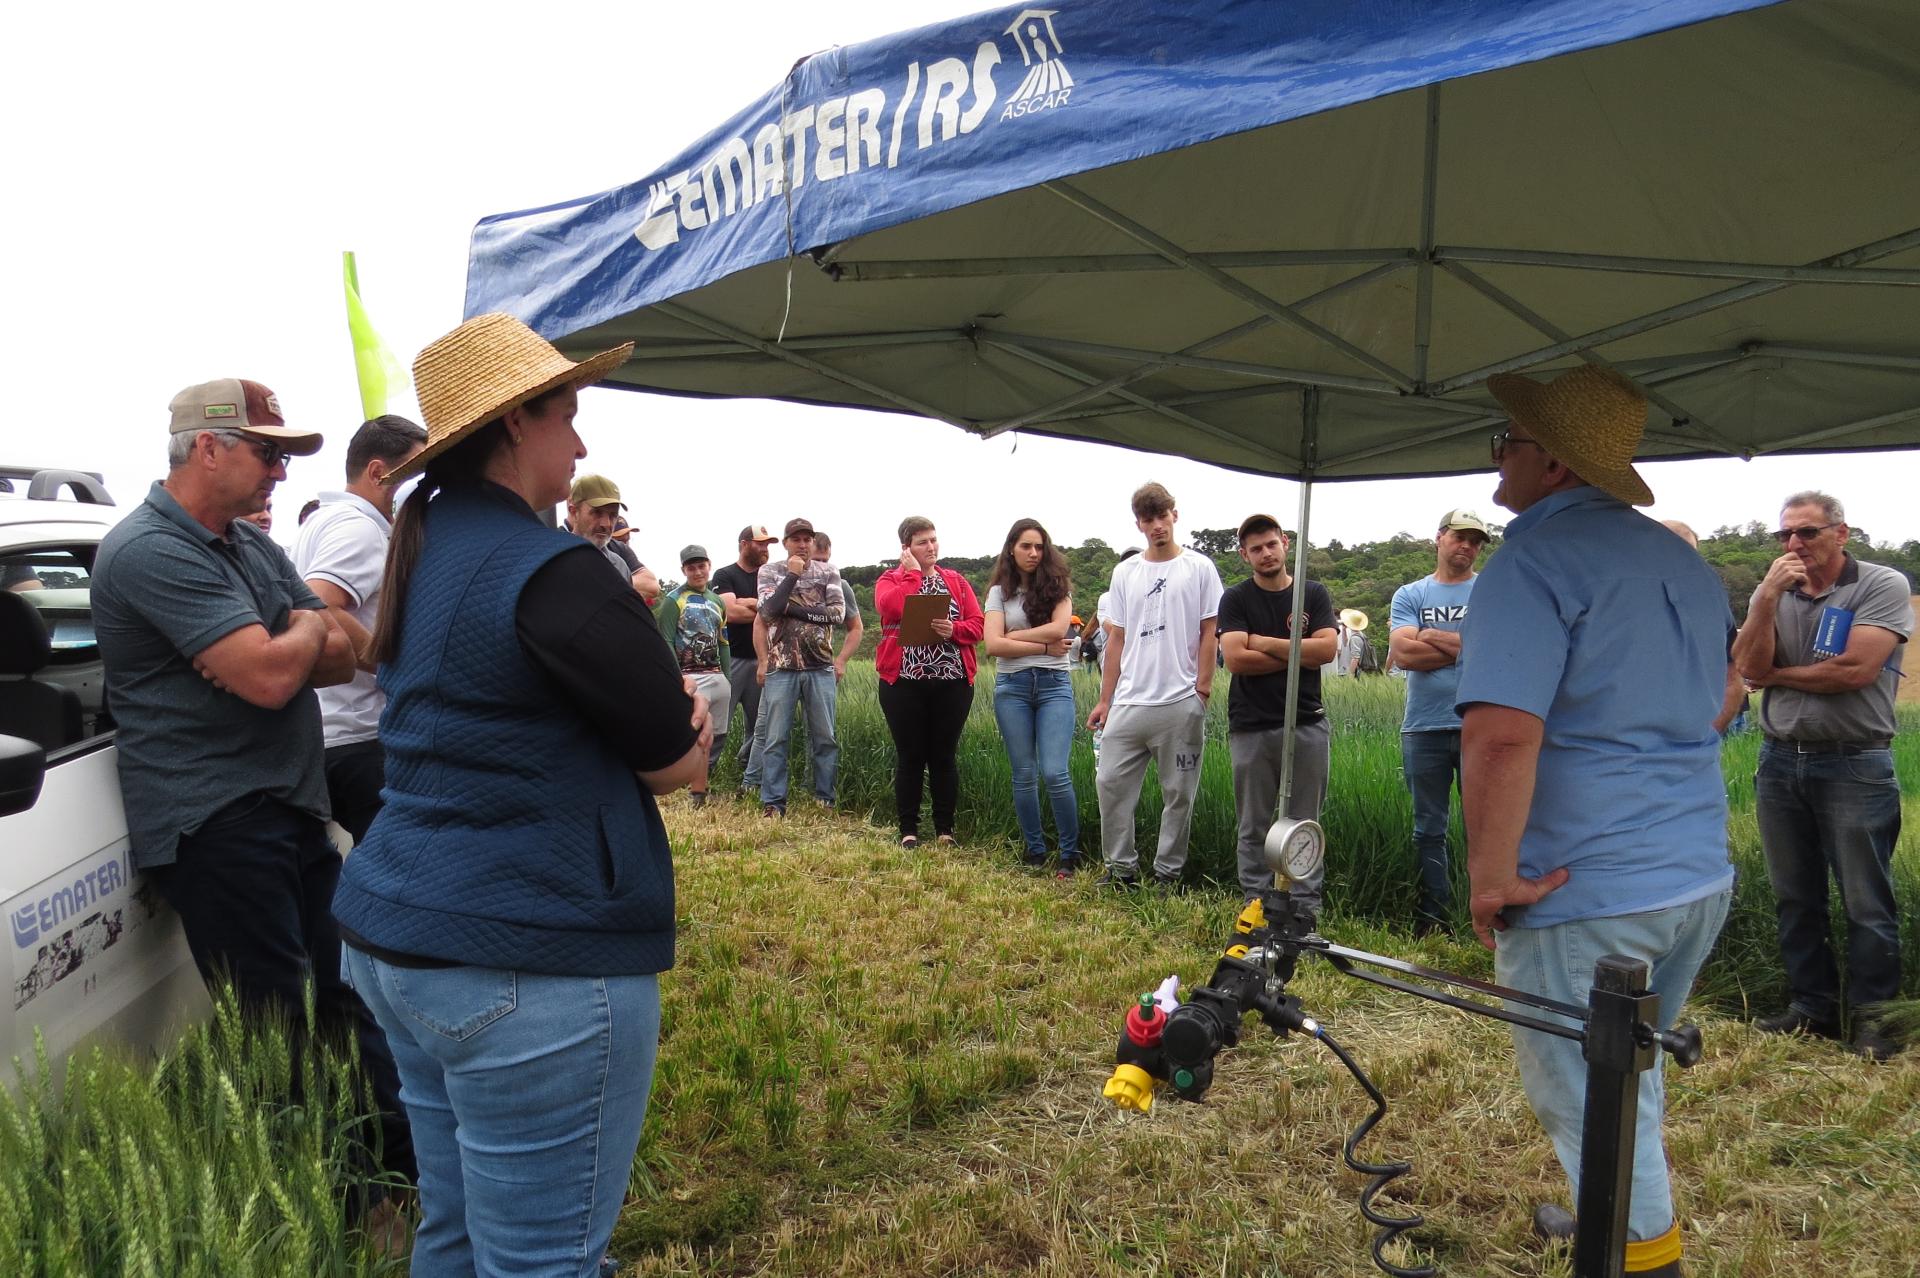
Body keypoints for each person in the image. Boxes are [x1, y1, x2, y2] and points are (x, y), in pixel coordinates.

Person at [332, 313, 710, 1277]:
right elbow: (675, 757)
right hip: (521, 956)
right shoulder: (556, 572)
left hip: (396, 933)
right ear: (511, 427)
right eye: (567, 416)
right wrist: (696, 721)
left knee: (453, 1226)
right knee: (543, 1262)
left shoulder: (426, 548)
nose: (580, 444)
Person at [91, 377, 412, 1236]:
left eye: (283, 457)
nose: (280, 472)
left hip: (285, 807)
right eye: (268, 452)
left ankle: (399, 1170)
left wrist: (291, 636)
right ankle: (344, 1212)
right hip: (218, 821)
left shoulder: (245, 546)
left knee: (340, 999)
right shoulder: (149, 551)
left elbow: (342, 655)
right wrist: (292, 639)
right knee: (282, 1022)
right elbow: (275, 678)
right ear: (208, 448)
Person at [1458, 365, 1734, 1276]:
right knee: (1626, 1077)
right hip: (1695, 869)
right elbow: (1714, 702)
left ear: (1557, 467)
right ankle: (1611, 1221)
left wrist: (1492, 879)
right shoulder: (1681, 562)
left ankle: (1637, 1254)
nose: (1497, 457)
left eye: (1510, 442)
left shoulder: (1529, 564)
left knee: (1594, 1099)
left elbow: (1501, 740)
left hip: (1586, 886)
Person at [1731, 490, 1909, 1061]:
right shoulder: (1776, 592)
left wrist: (1778, 674)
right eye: (1786, 535)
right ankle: (1811, 1010)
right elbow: (1746, 666)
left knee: (1866, 902)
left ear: (1841, 533)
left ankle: (1876, 1021)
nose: (1793, 544)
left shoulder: (1880, 585)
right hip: (1781, 758)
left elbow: (1855, 671)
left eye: (1807, 533)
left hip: (1854, 761)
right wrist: (1763, 598)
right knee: (1795, 897)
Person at [291, 414, 428, 845]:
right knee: (406, 873)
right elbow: (321, 600)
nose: (423, 488)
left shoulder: (327, 519)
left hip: (331, 736)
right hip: (359, 739)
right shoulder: (361, 527)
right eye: (416, 474)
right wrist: (392, 667)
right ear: (376, 472)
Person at [1086, 484, 1221, 888]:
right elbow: (1117, 638)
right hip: (1128, 699)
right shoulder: (1125, 573)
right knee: (1108, 783)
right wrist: (1105, 698)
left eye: (1163, 516)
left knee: (1178, 794)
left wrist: (1203, 690)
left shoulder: (1199, 568)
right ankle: (1121, 868)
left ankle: (1167, 873)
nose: (1157, 525)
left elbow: (1209, 631)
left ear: (1175, 516)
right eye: (1149, 519)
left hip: (1180, 700)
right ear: (1139, 524)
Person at [1218, 514, 1338, 905]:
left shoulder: (1313, 593)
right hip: (1251, 726)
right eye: (1256, 548)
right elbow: (1236, 659)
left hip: (1306, 722)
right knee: (1254, 824)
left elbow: (1327, 650)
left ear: (1285, 543)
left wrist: (1261, 642)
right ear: (1244, 555)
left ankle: (1303, 905)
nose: (1265, 553)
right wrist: (1298, 653)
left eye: (1271, 544)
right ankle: (1255, 902)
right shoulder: (1235, 599)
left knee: (1305, 821)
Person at [1387, 508, 1490, 933]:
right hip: (1423, 728)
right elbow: (1403, 654)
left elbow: (1493, 649)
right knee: (1428, 829)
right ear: (1440, 538)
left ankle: (1484, 916)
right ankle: (1435, 916)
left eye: (1475, 540)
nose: (1466, 545)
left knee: (1484, 829)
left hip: (1479, 725)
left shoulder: (1490, 591)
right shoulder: (1410, 593)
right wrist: (1465, 645)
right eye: (1459, 536)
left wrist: (1428, 635)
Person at [874, 516, 985, 847]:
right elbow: (891, 607)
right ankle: (908, 830)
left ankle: (944, 830)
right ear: (906, 547)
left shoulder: (956, 581)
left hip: (952, 682)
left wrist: (954, 630)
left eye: (934, 540)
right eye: (922, 542)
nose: (931, 547)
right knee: (910, 755)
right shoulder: (890, 579)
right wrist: (912, 576)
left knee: (943, 756)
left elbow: (978, 626)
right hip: (903, 682)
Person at [983, 518, 1080, 874]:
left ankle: (1070, 853)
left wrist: (1014, 637)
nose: (1033, 553)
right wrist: (1043, 645)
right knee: (1023, 773)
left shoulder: (1059, 588)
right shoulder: (998, 593)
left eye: (1039, 546)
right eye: (1026, 546)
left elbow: (1060, 628)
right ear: (1012, 548)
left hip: (1055, 686)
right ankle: (1035, 850)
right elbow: (992, 645)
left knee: (1055, 772)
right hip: (1013, 689)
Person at [755, 518, 846, 815]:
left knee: (825, 737)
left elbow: (835, 614)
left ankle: (824, 799)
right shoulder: (769, 571)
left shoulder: (829, 571)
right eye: (797, 539)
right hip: (781, 667)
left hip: (820, 667)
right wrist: (791, 578)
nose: (803, 544)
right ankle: (773, 802)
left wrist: (791, 609)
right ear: (786, 543)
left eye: (808, 538)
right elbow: (768, 611)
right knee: (775, 738)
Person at [657, 544, 732, 807]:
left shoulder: (717, 601)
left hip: (716, 674)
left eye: (701, 566)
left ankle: (701, 780)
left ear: (709, 565)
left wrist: (728, 676)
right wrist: (676, 677)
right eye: (691, 567)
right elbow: (665, 639)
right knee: (700, 733)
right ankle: (697, 793)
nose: (697, 572)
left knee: (719, 734)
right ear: (683, 570)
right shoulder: (673, 599)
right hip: (690, 675)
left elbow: (723, 641)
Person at [712, 525, 777, 792]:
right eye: (759, 543)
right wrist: (763, 610)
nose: (765, 549)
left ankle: (747, 768)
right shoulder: (725, 574)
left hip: (763, 660)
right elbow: (729, 612)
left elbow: (779, 610)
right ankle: (704, 773)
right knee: (719, 722)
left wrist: (748, 603)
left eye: (767, 544)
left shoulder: (769, 576)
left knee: (759, 725)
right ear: (743, 544)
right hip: (732, 660)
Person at [565, 475, 662, 602]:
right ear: (573, 512)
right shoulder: (554, 558)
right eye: (597, 513)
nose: (606, 524)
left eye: (612, 515)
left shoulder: (620, 564)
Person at [811, 530, 865, 679]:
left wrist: (841, 660)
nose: (822, 567)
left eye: (825, 561)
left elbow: (856, 627)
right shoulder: (788, 581)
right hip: (784, 667)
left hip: (822, 667)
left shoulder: (840, 586)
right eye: (816, 561)